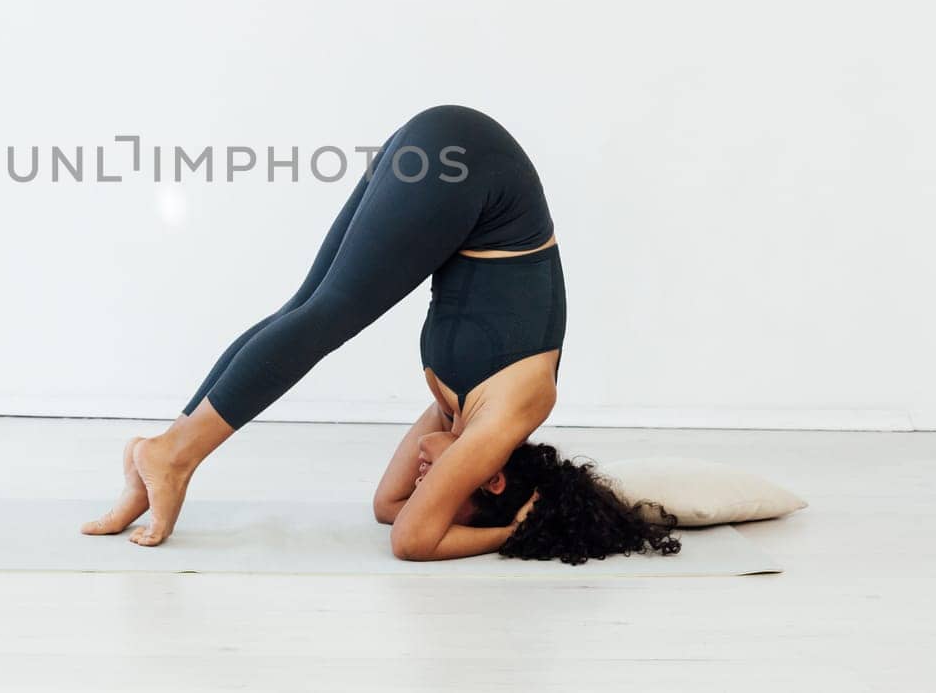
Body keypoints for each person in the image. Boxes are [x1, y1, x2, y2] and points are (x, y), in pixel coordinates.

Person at [81, 104, 679, 563]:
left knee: (307, 310)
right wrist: (513, 533)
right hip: (472, 162)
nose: (428, 484)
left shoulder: (460, 413)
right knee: (327, 315)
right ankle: (174, 459)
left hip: (453, 148)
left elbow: (391, 511)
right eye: (450, 490)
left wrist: (465, 512)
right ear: (492, 477)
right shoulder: (507, 415)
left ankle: (159, 455)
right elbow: (416, 540)